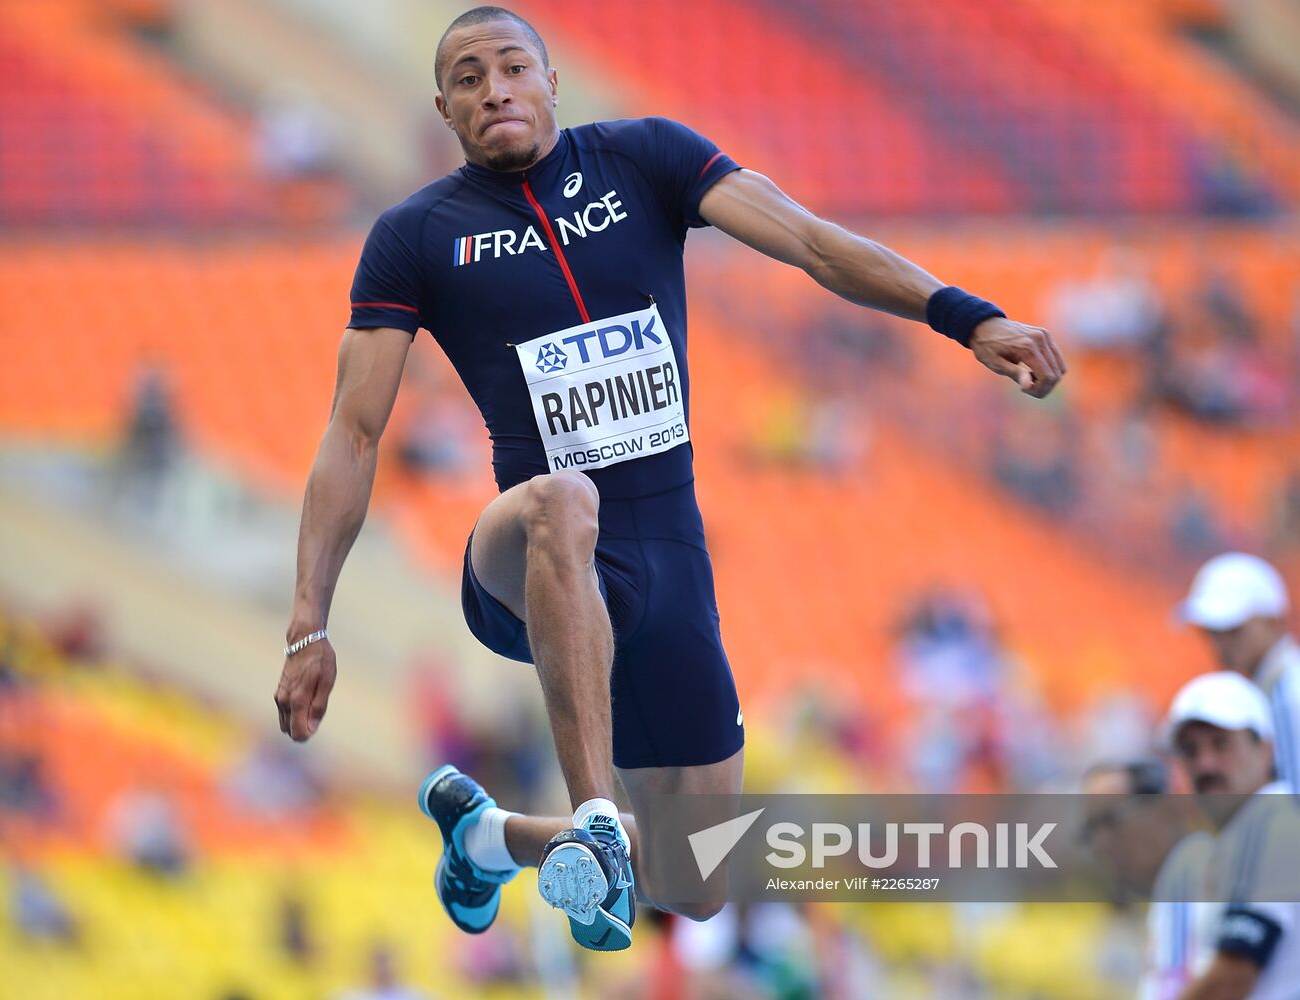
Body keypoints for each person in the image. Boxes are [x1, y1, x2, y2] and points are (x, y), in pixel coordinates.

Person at [272, 5, 1067, 953]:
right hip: (526, 549)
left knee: (695, 884)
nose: (495, 90)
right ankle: (595, 819)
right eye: (470, 78)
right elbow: (355, 435)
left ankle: (487, 838)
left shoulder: (645, 157)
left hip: (666, 554)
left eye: (512, 68)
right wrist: (309, 621)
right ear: (443, 107)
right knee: (566, 498)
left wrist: (968, 318)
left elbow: (812, 243)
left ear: (552, 81)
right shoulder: (416, 235)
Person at [1164, 671, 1300, 999]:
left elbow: (1233, 977)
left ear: (1266, 750)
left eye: (1221, 743)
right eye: (1190, 750)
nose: (1205, 764)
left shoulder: (1270, 822)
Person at [1080, 759, 1212, 1000]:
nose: (1101, 843)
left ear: (1162, 806)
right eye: (1092, 830)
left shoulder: (1202, 878)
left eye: (1111, 820)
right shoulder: (1164, 896)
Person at [1178, 553, 1300, 786]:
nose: (1220, 645)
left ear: (1272, 621)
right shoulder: (1274, 688)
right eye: (1211, 632)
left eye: (1234, 630)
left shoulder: (1288, 694)